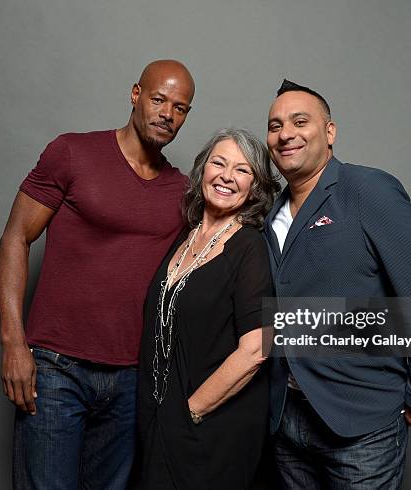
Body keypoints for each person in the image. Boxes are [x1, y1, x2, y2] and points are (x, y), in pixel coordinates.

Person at [0, 59, 195, 490]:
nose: (168, 114)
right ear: (135, 94)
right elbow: (15, 238)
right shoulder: (72, 153)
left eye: (180, 108)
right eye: (159, 99)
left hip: (130, 379)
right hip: (55, 369)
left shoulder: (181, 191)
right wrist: (13, 342)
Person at [264, 80, 411, 489]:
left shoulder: (367, 190)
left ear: (329, 132)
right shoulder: (270, 214)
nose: (285, 134)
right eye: (275, 125)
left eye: (300, 121)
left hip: (360, 421)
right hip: (286, 419)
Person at [137, 128, 280, 489]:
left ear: (256, 187)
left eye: (243, 170)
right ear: (202, 170)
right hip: (160, 424)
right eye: (219, 162)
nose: (227, 176)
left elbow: (256, 349)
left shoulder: (249, 248)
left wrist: (192, 410)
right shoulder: (184, 238)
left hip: (210, 431)